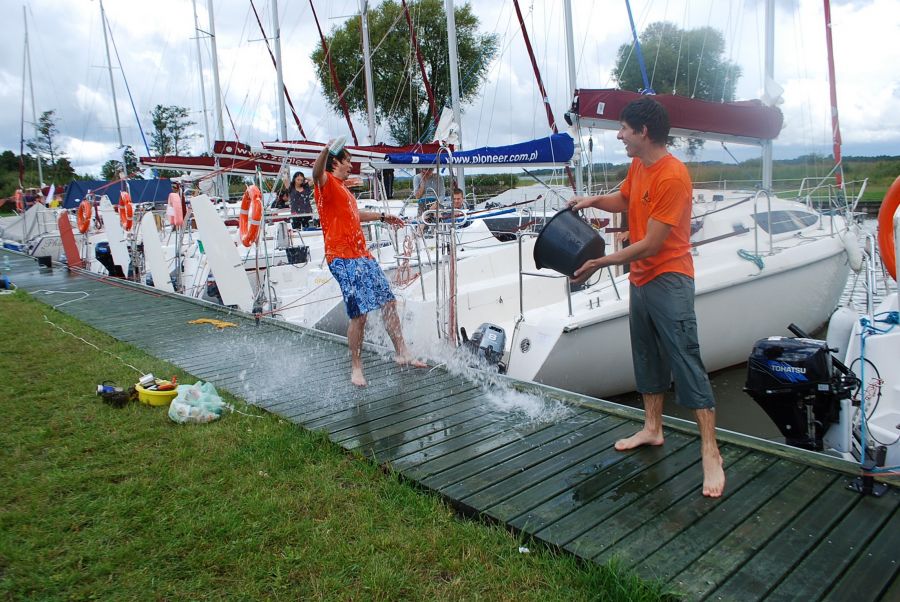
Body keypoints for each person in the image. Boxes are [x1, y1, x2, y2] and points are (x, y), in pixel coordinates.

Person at [569, 96, 725, 498]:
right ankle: (652, 428)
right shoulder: (639, 165)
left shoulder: (672, 176)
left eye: (624, 129)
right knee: (646, 355)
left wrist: (602, 262)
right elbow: (624, 199)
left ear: (644, 132)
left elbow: (654, 244)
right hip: (641, 279)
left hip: (669, 278)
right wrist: (590, 201)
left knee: (685, 359)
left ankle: (711, 451)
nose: (619, 135)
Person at [313, 140, 426, 387]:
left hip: (362, 255)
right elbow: (315, 172)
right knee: (359, 314)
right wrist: (326, 150)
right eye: (347, 161)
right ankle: (356, 367)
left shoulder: (344, 190)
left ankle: (402, 352)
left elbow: (355, 215)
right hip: (341, 258)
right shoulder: (326, 184)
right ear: (335, 162)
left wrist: (383, 216)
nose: (351, 164)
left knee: (388, 302)